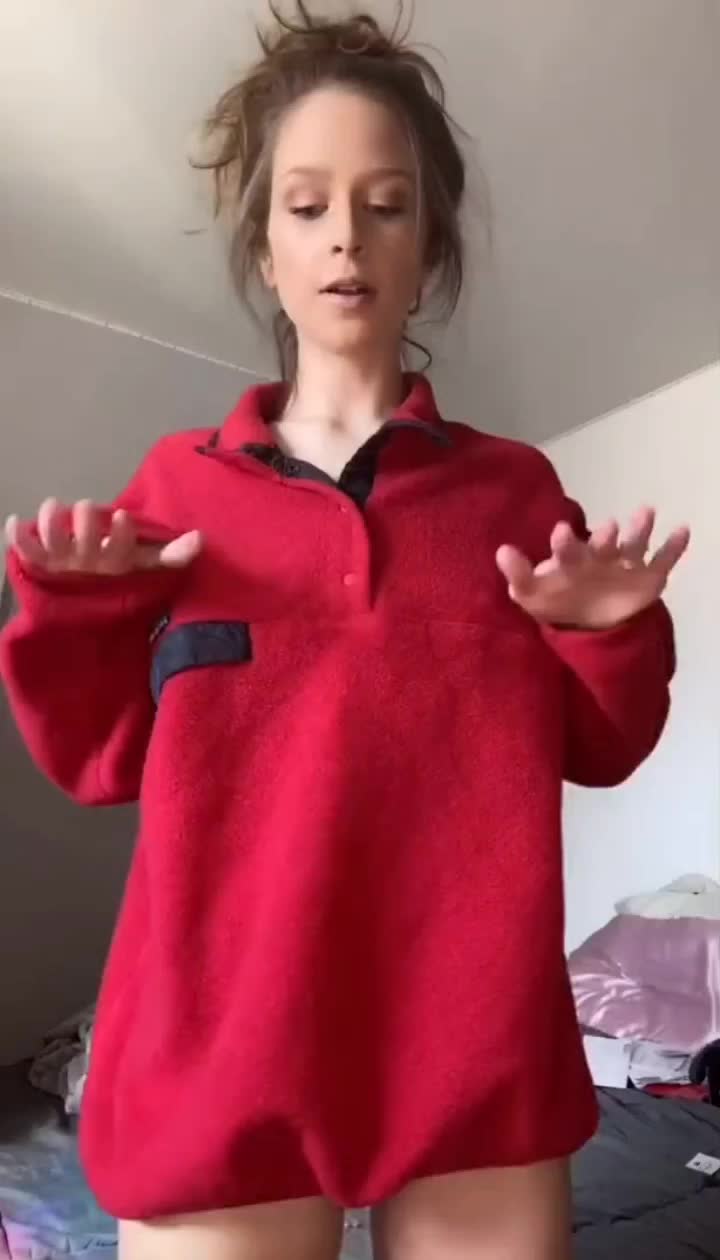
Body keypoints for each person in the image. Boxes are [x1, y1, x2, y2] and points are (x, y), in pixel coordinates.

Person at [0, 5, 690, 1258]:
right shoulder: (176, 489)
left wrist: (612, 633)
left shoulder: (515, 494)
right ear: (265, 250)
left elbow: (601, 744)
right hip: (218, 1054)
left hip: (474, 1054)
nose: (346, 237)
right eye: (307, 205)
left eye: (387, 205)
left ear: (429, 248)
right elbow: (97, 761)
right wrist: (76, 615)